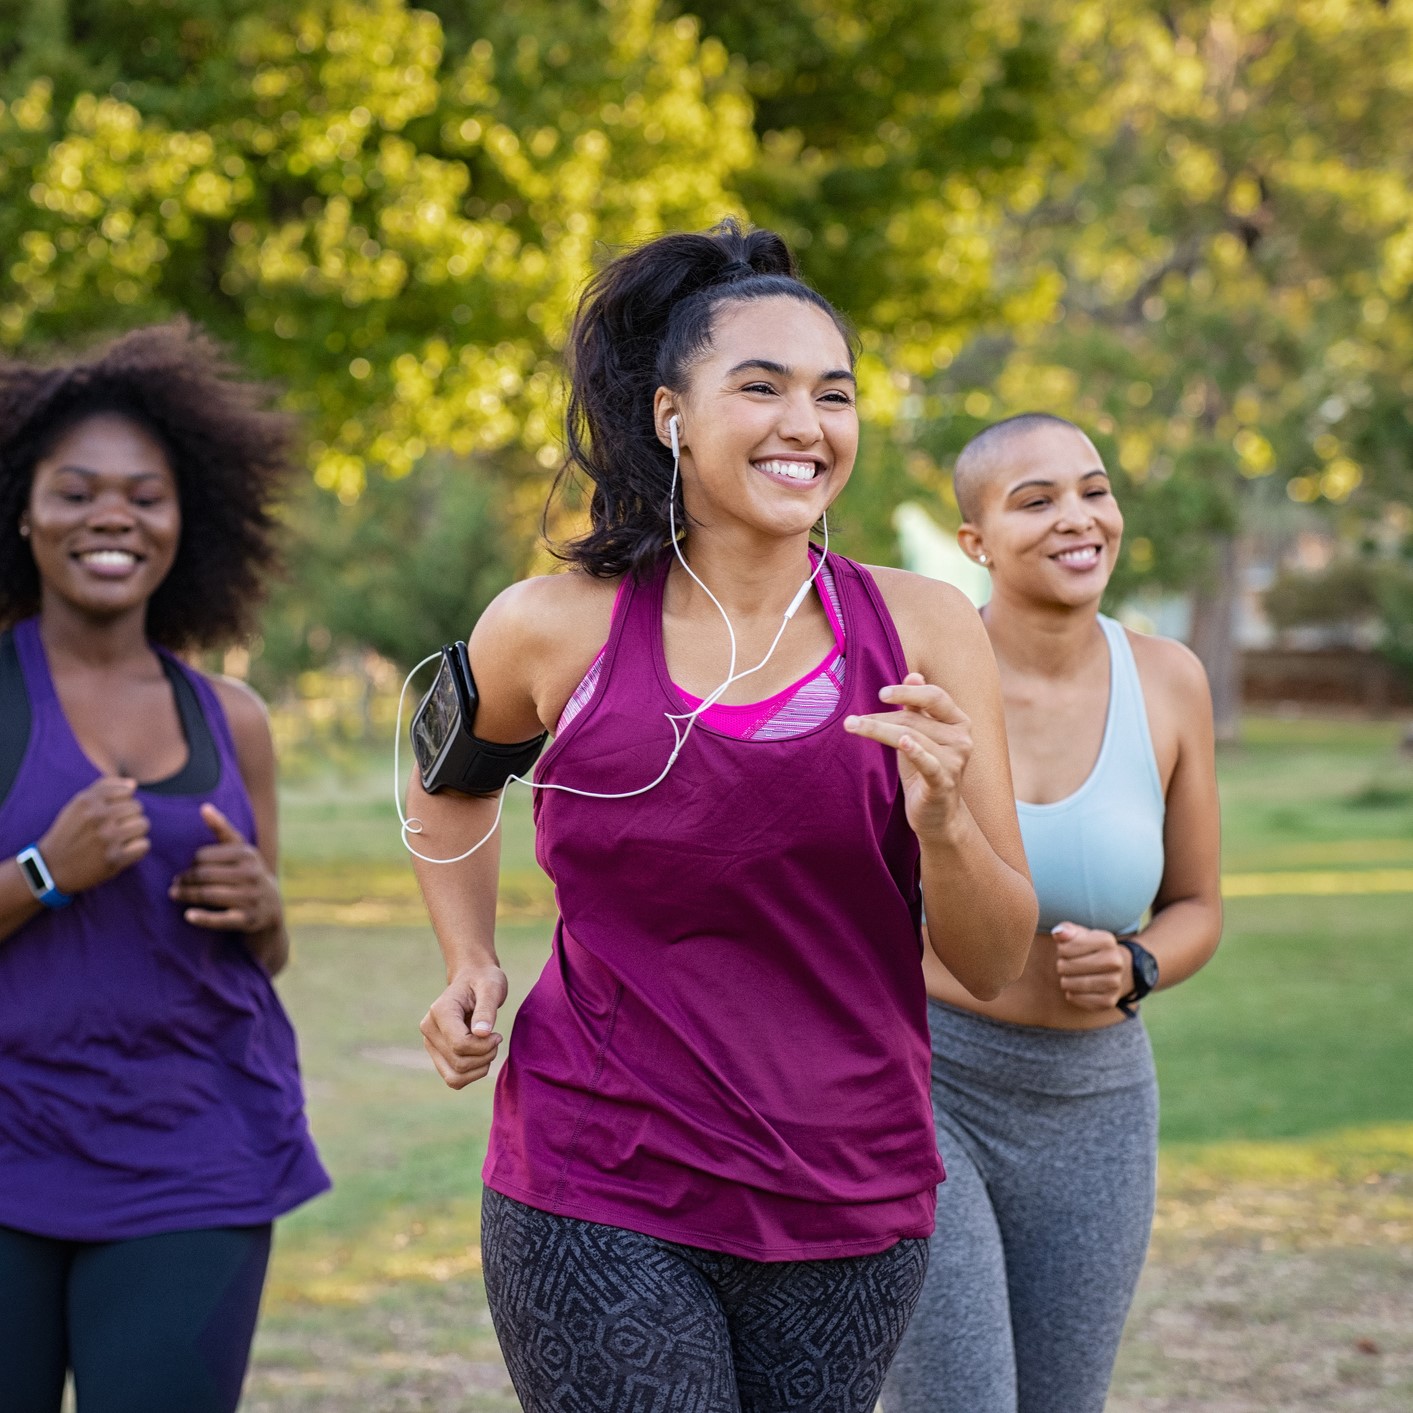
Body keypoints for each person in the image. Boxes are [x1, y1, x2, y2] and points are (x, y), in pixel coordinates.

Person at [408, 221, 1039, 1412]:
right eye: (762, 387)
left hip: (849, 1189)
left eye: (834, 395)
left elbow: (995, 959)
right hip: (597, 1177)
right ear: (670, 418)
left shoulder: (930, 633)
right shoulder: (553, 627)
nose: (807, 424)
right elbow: (448, 785)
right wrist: (466, 959)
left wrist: (947, 823)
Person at [0, 322, 329, 1413]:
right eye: (76, 491)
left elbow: (267, 952)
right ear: (24, 509)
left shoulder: (230, 719)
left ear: (187, 522)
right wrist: (47, 869)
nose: (111, 518)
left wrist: (265, 909)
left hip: (196, 1150)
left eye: (145, 496)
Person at [883, 412, 1223, 1413]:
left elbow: (1198, 904)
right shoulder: (915, 685)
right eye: (1035, 501)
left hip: (1100, 1107)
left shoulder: (1169, 682)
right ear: (975, 543)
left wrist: (1139, 967)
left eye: (1093, 489)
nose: (1078, 519)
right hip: (931, 1088)